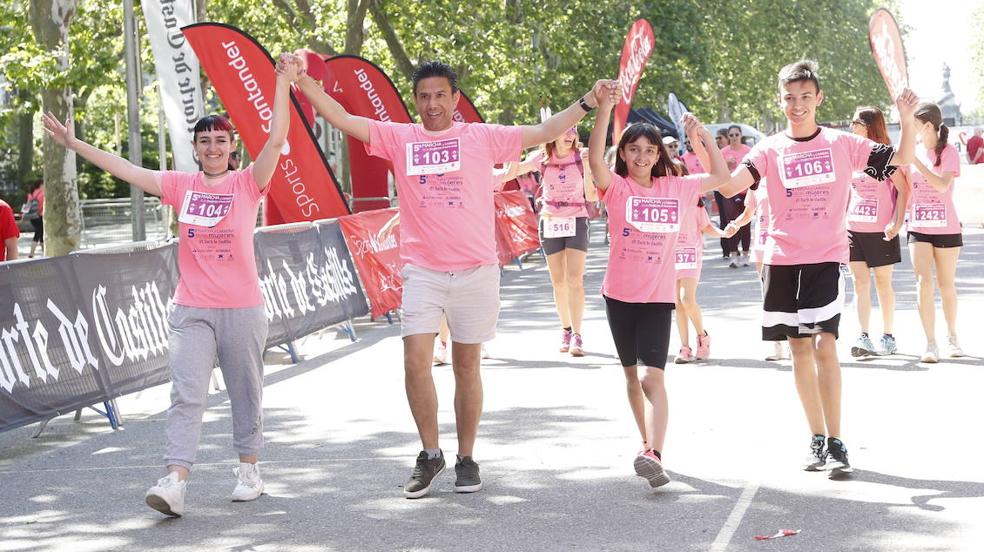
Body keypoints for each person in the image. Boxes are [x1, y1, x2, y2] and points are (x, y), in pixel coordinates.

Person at [292, 53, 617, 498]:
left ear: (454, 98)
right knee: (414, 362)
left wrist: (588, 100)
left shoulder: (480, 137)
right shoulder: (400, 138)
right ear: (415, 101)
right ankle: (430, 455)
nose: (432, 105)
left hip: (476, 270)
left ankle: (466, 458)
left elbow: (543, 132)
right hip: (422, 270)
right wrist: (301, 79)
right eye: (423, 97)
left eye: (440, 95)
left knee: (467, 365)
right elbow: (343, 118)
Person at [42, 57, 300, 517]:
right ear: (196, 148)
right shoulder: (181, 186)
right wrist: (72, 143)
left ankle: (249, 470)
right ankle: (176, 479)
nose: (214, 147)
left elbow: (277, 140)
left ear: (231, 147)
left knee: (246, 391)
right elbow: (125, 169)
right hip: (191, 310)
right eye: (206, 142)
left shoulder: (247, 184)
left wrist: (281, 83)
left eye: (221, 140)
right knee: (187, 393)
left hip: (242, 308)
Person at [719, 60, 917, 478]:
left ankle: (838, 441)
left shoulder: (843, 143)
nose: (797, 105)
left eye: (805, 97)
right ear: (780, 99)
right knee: (798, 348)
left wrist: (906, 119)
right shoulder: (768, 148)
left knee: (825, 344)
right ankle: (816, 437)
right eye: (790, 97)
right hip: (780, 259)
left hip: (825, 256)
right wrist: (703, 143)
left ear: (819, 98)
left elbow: (899, 160)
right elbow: (732, 185)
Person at [589, 92, 729, 488]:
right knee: (631, 377)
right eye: (633, 150)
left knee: (654, 376)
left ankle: (655, 453)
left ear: (658, 155)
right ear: (625, 153)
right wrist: (602, 110)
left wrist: (702, 136)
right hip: (618, 295)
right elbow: (595, 160)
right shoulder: (615, 187)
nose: (642, 157)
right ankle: (646, 443)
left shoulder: (676, 187)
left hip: (656, 298)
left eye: (649, 151)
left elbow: (720, 177)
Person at [507, 128, 597, 356]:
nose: (570, 136)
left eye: (573, 132)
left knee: (574, 279)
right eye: (564, 131)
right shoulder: (542, 158)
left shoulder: (581, 156)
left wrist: (587, 166)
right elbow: (513, 171)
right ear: (553, 134)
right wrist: (510, 150)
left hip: (576, 219)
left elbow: (592, 195)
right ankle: (565, 329)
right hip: (550, 221)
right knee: (558, 282)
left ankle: (578, 334)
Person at [845, 106, 911, 357]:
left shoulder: (884, 156)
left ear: (869, 125)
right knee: (859, 283)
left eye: (855, 122)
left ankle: (888, 335)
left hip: (881, 230)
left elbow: (903, 190)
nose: (851, 127)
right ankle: (863, 336)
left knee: (883, 285)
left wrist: (897, 222)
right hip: (853, 229)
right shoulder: (851, 156)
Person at [906, 102, 963, 362]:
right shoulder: (911, 151)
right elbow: (905, 190)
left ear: (928, 125)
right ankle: (930, 343)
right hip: (918, 227)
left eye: (916, 125)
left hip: (947, 227)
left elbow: (941, 186)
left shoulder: (949, 152)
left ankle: (952, 336)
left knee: (945, 284)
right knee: (923, 283)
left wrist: (916, 161)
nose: (914, 130)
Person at [674, 195, 734, 363]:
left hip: (690, 254)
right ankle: (685, 348)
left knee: (687, 299)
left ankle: (702, 336)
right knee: (677, 303)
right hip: (670, 255)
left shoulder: (695, 202)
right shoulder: (665, 199)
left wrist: (723, 233)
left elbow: (706, 226)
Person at [730, 185, 786, 362]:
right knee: (768, 295)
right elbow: (748, 214)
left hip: (786, 244)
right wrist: (734, 225)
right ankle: (776, 344)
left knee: (791, 295)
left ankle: (795, 341)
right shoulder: (756, 186)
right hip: (763, 245)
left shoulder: (787, 177)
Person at [722, 125, 752, 267]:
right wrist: (726, 165)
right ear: (728, 137)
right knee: (732, 222)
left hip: (746, 191)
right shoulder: (723, 152)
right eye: (731, 135)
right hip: (730, 191)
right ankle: (733, 255)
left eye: (736, 135)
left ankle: (746, 254)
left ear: (741, 135)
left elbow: (755, 170)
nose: (734, 138)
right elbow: (716, 172)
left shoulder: (748, 151)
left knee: (745, 223)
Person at [23, 181, 44, 258]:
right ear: (41, 185)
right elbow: (42, 207)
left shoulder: (31, 194)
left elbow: (27, 206)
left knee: (41, 233)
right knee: (39, 234)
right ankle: (32, 253)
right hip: (39, 216)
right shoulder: (42, 194)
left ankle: (43, 251)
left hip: (32, 218)